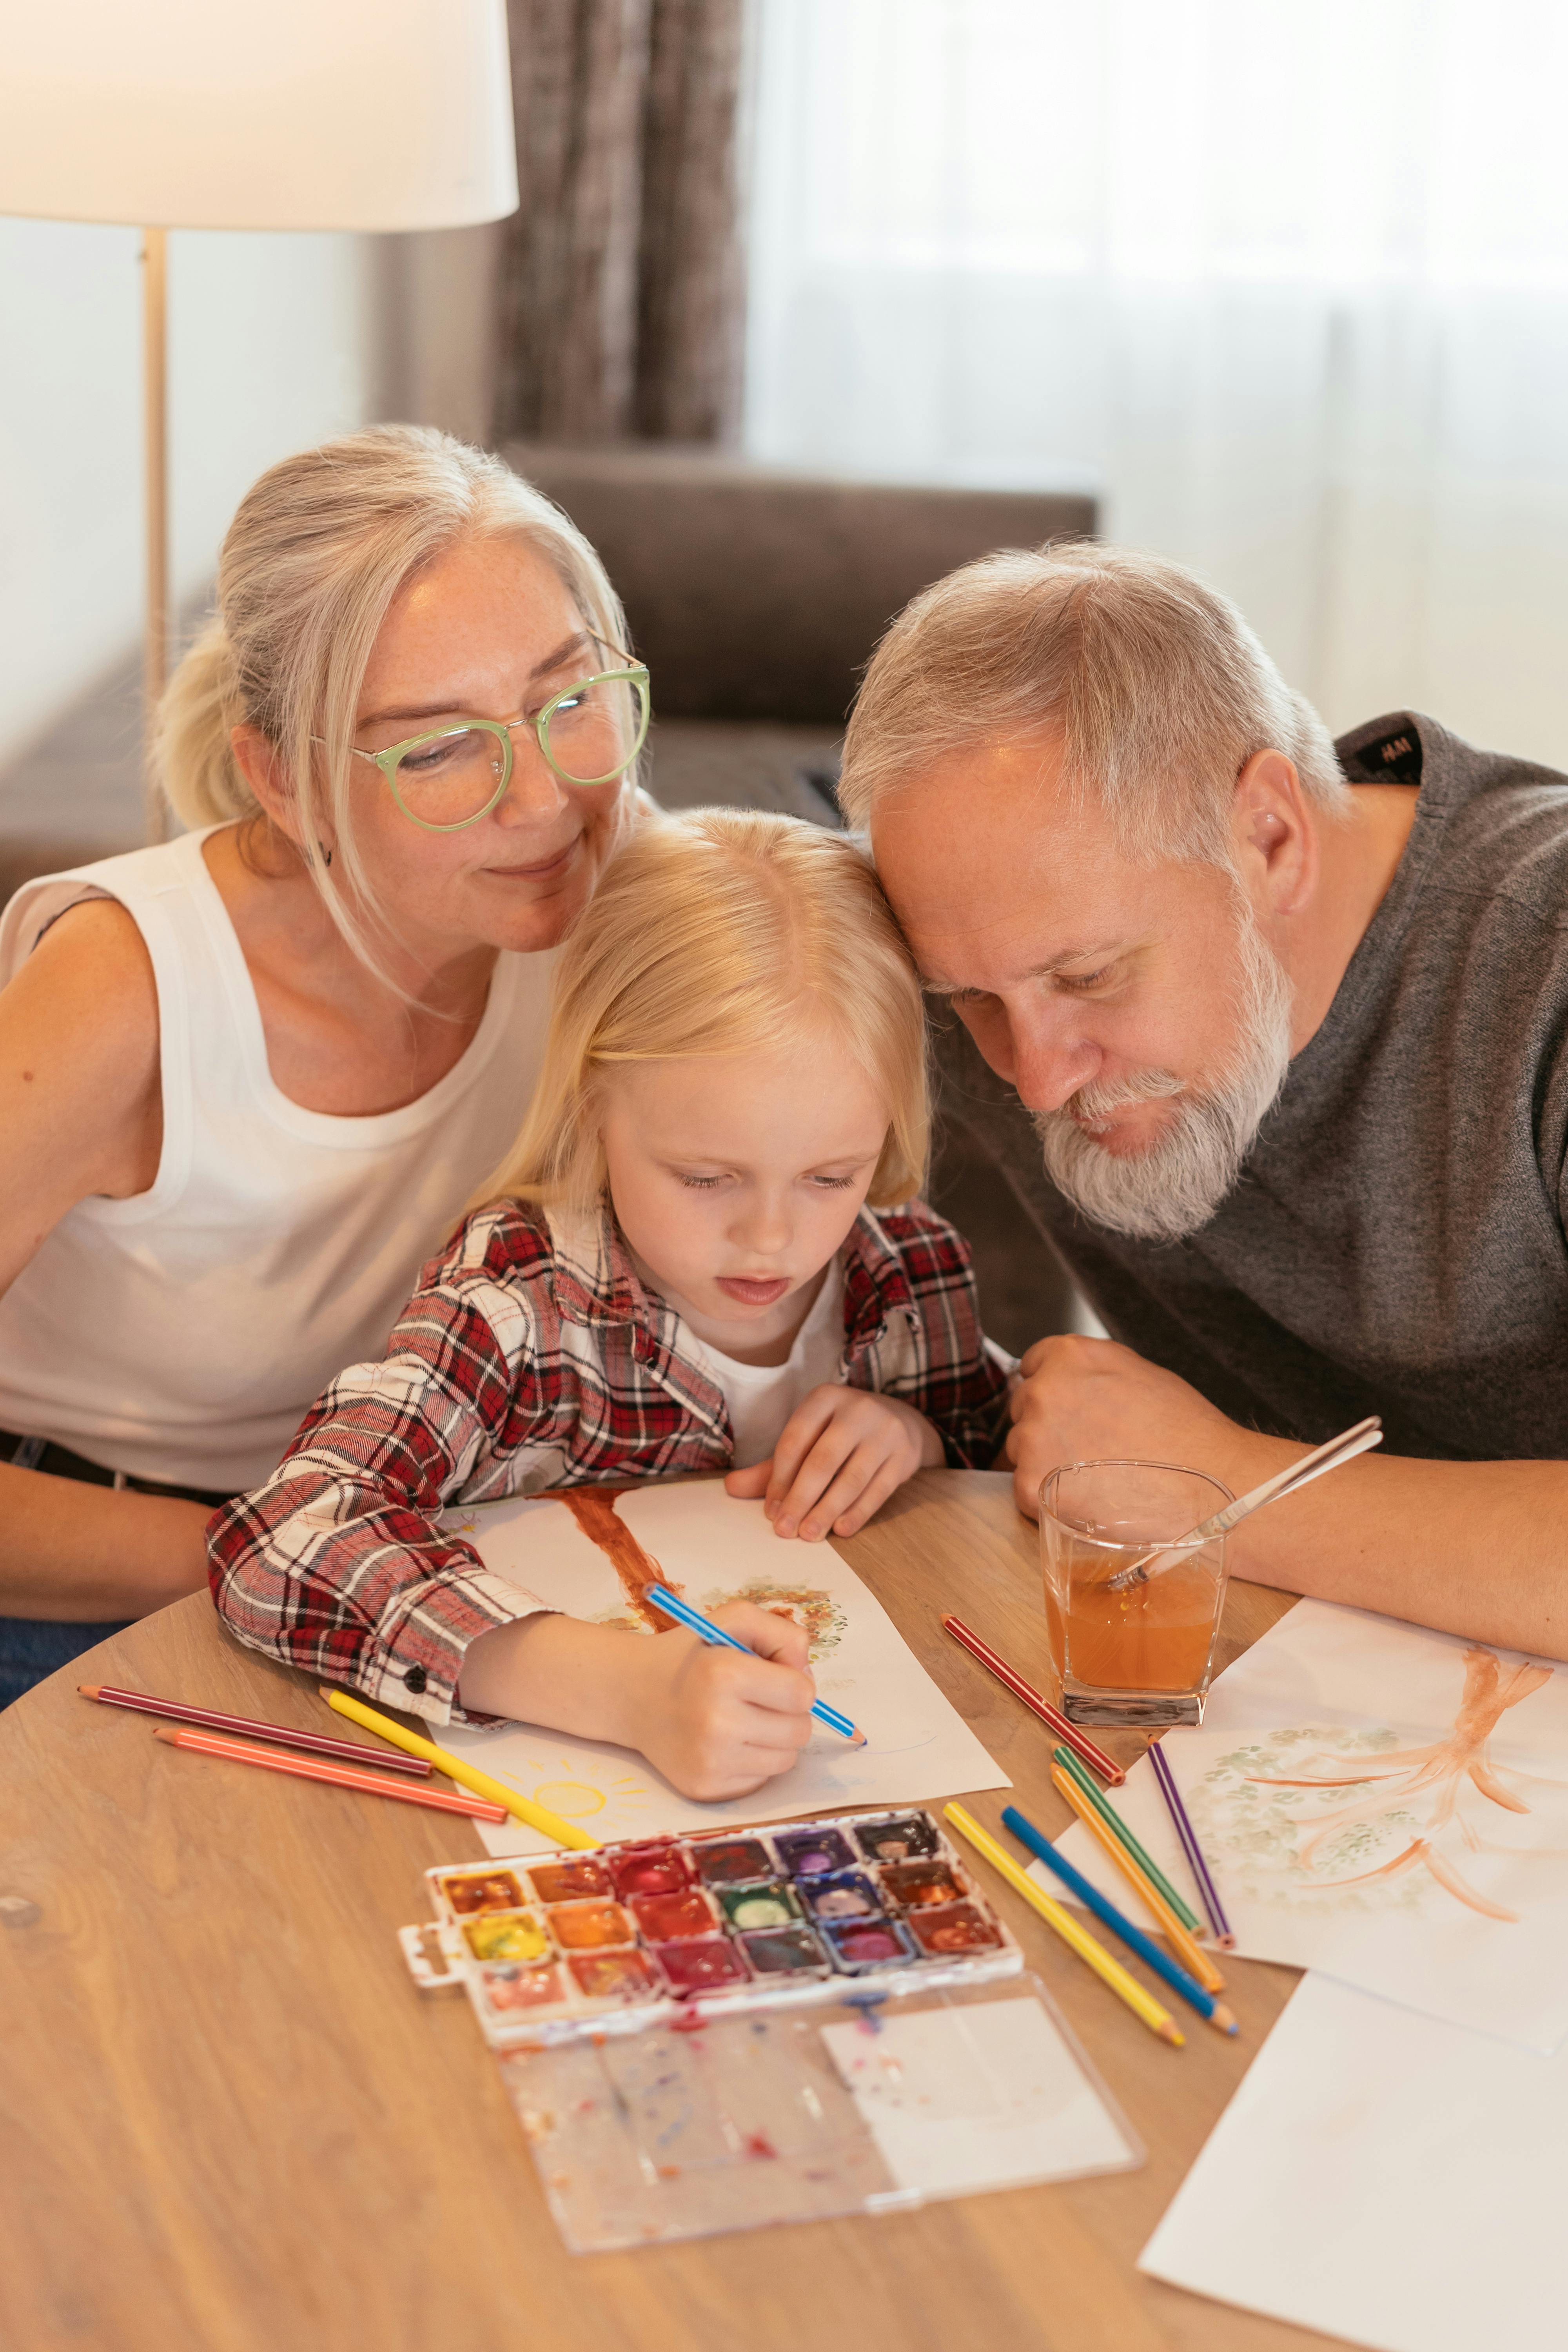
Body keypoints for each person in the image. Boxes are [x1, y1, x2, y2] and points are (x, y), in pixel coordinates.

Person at [0, 425, 648, 1705]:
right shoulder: (128, 985)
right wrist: (316, 1560)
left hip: (443, 1550)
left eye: (568, 698)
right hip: (110, 1592)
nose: (541, 798)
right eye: (438, 748)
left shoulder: (617, 891)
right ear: (283, 781)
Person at [840, 541, 1568, 1661]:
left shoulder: (1545, 963)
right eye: (973, 998)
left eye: (1089, 978)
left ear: (1270, 838)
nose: (1036, 1077)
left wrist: (1220, 1484)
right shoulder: (988, 940)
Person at [209, 811, 1012, 1800]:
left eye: (828, 1176)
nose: (772, 1240)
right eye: (707, 1178)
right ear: (594, 1104)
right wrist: (625, 1689)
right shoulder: (517, 1303)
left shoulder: (906, 1274)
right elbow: (288, 1534)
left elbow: (1009, 1479)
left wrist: (919, 1441)